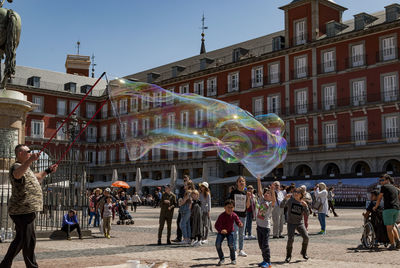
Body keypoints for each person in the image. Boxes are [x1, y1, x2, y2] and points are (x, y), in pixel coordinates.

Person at [0, 144, 58, 268]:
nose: (31, 153)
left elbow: (37, 177)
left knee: (21, 239)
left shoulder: (27, 168)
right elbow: (17, 175)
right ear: (20, 153)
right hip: (22, 209)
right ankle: (32, 266)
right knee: (29, 240)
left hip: (26, 209)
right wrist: (30, 161)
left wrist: (48, 170)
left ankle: (5, 264)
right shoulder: (16, 166)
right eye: (29, 152)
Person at [281, 187, 310, 263]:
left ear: (301, 194)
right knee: (290, 239)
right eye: (295, 192)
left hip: (300, 223)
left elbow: (307, 214)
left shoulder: (303, 202)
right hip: (291, 223)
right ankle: (288, 256)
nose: (296, 194)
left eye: (298, 192)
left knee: (306, 237)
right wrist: (285, 199)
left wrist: (306, 206)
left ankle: (303, 252)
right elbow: (281, 206)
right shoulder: (290, 200)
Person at [373, 174, 400, 250]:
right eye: (380, 181)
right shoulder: (395, 188)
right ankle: (398, 240)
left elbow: (379, 198)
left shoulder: (384, 187)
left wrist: (375, 206)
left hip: (388, 209)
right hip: (396, 209)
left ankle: (392, 244)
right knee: (393, 225)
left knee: (389, 228)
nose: (381, 182)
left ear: (387, 180)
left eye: (382, 180)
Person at [215, 199, 243, 266]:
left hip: (230, 232)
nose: (230, 209)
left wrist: (239, 224)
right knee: (217, 244)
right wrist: (221, 230)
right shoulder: (221, 216)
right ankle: (221, 259)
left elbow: (238, 221)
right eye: (228, 207)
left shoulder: (234, 215)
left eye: (231, 207)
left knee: (231, 245)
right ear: (224, 207)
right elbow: (216, 225)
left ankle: (233, 259)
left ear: (234, 208)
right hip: (221, 232)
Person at [255, 177, 276, 268]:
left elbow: (274, 200)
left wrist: (272, 190)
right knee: (261, 245)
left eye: (269, 194)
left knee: (265, 245)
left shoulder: (270, 204)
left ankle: (268, 262)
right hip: (259, 226)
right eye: (266, 193)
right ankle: (264, 260)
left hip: (266, 227)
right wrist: (258, 180)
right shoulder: (262, 200)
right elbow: (260, 191)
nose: (266, 194)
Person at [229, 176, 250, 257]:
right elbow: (230, 204)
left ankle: (241, 250)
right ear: (237, 183)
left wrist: (248, 197)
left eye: (243, 181)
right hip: (235, 216)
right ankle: (234, 250)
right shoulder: (233, 192)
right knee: (235, 233)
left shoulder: (246, 193)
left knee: (242, 234)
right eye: (240, 181)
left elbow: (247, 206)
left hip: (243, 216)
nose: (242, 183)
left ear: (245, 183)